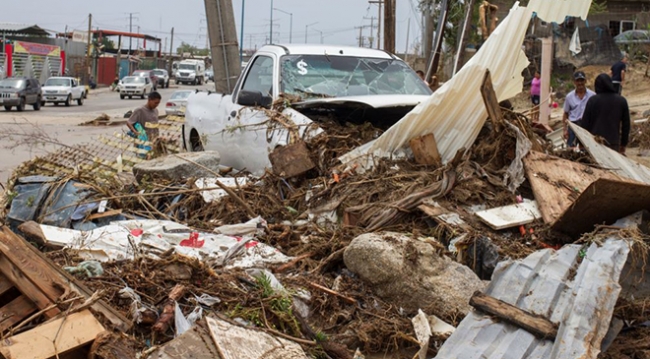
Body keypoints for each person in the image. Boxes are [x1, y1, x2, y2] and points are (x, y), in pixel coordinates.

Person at [581, 73, 630, 155]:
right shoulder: (621, 101)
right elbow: (626, 125)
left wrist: (582, 142)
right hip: (613, 143)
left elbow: (585, 123)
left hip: (594, 142)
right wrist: (623, 144)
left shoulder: (592, 101)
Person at [563, 71, 595, 148]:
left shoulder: (592, 96)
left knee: (587, 148)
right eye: (578, 81)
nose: (580, 83)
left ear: (585, 81)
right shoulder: (569, 97)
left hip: (587, 126)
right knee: (571, 148)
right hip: (573, 125)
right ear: (574, 82)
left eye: (582, 80)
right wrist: (565, 129)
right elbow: (566, 113)